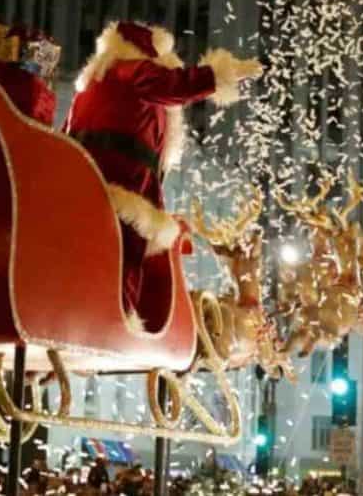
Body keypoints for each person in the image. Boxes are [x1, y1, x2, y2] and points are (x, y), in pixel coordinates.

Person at [66, 21, 262, 328]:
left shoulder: (92, 84)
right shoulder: (133, 72)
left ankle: (85, 308)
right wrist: (222, 72)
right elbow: (176, 86)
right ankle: (119, 319)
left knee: (92, 252)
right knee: (127, 255)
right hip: (125, 185)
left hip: (86, 182)